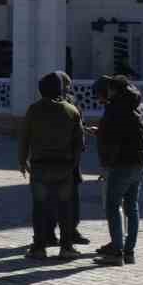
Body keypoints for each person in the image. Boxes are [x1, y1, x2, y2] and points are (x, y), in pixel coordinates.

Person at [16, 72, 85, 261]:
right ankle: (66, 247)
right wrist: (74, 163)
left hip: (39, 166)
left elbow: (25, 137)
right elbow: (79, 142)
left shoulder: (34, 110)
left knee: (40, 207)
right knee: (65, 208)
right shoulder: (71, 110)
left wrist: (22, 161)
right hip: (64, 167)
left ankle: (39, 247)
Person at [94, 76, 143, 266]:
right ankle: (129, 252)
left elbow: (112, 140)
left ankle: (116, 253)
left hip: (121, 165)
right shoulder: (139, 106)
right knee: (132, 207)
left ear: (114, 89)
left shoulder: (116, 108)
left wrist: (105, 165)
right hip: (139, 163)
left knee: (112, 206)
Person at [56, 71, 91, 246]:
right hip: (65, 157)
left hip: (62, 157)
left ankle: (65, 231)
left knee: (63, 196)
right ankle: (64, 235)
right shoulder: (63, 104)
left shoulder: (70, 102)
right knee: (64, 197)